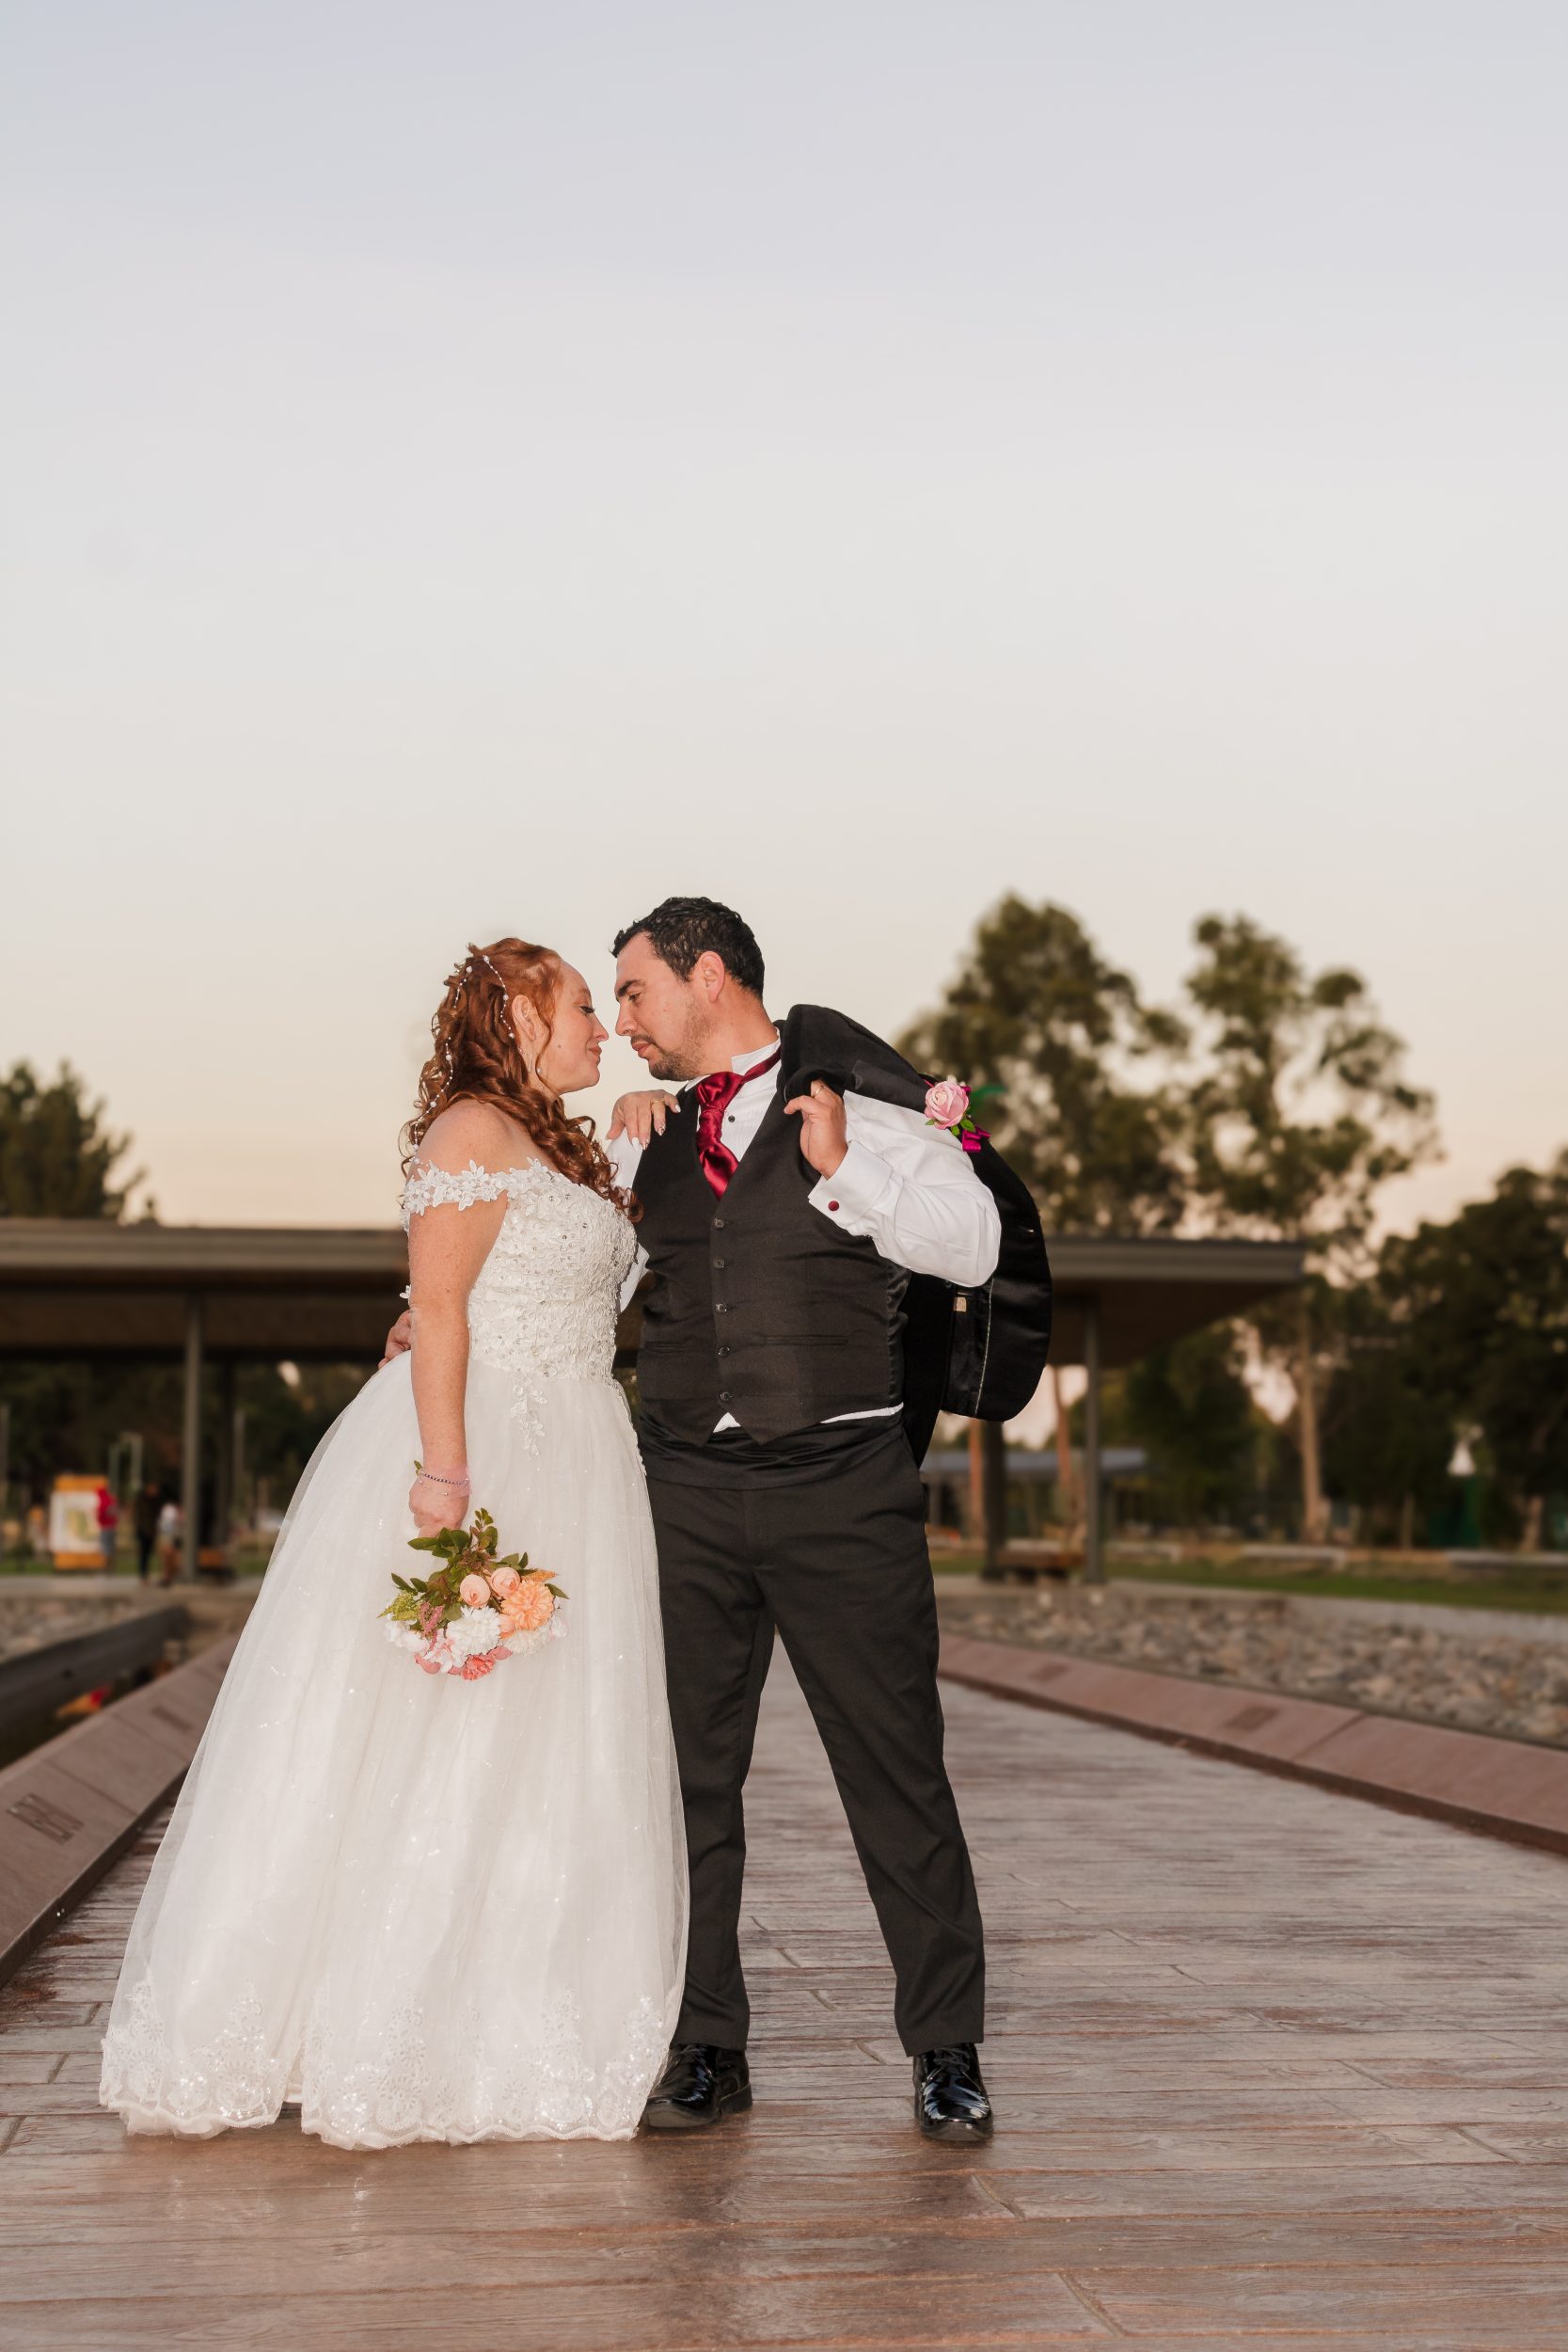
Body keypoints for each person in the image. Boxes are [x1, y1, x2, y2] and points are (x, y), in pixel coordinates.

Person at [100, 939, 686, 2148]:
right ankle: (374, 2023)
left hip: (580, 1454)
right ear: (520, 1012)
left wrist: (630, 1148)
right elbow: (445, 1308)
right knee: (440, 1732)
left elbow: (577, 1277)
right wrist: (446, 1481)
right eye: (584, 1005)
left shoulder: (558, 1144)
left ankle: (506, 2018)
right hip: (487, 1452)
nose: (602, 1027)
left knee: (546, 1747)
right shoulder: (469, 1132)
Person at [610, 898, 1003, 2142]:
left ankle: (944, 2048)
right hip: (679, 1485)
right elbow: (587, 1280)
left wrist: (849, 1172)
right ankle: (703, 2045)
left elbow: (974, 1245)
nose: (620, 1020)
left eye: (632, 992)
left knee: (893, 1773)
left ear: (708, 974)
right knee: (684, 1779)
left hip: (840, 1488)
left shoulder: (869, 1109)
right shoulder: (643, 1139)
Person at [132, 1482, 161, 1581]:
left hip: (151, 1530)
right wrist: (139, 1527)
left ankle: (146, 1572)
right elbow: (137, 1516)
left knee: (148, 1552)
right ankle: (143, 1573)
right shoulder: (140, 1500)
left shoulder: (155, 1501)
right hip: (143, 1530)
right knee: (143, 1552)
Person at [155, 1496, 182, 1586]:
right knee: (168, 1555)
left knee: (172, 1556)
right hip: (170, 1536)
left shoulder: (169, 1509)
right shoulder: (169, 1509)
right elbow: (166, 1525)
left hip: (174, 1536)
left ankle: (169, 1576)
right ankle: (168, 1576)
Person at [95, 1482, 119, 1573]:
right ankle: (111, 1567)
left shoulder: (103, 1502)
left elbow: (100, 1515)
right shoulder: (112, 1500)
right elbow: (116, 1513)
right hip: (112, 1527)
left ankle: (105, 1568)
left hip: (105, 1528)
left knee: (105, 1548)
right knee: (111, 1548)